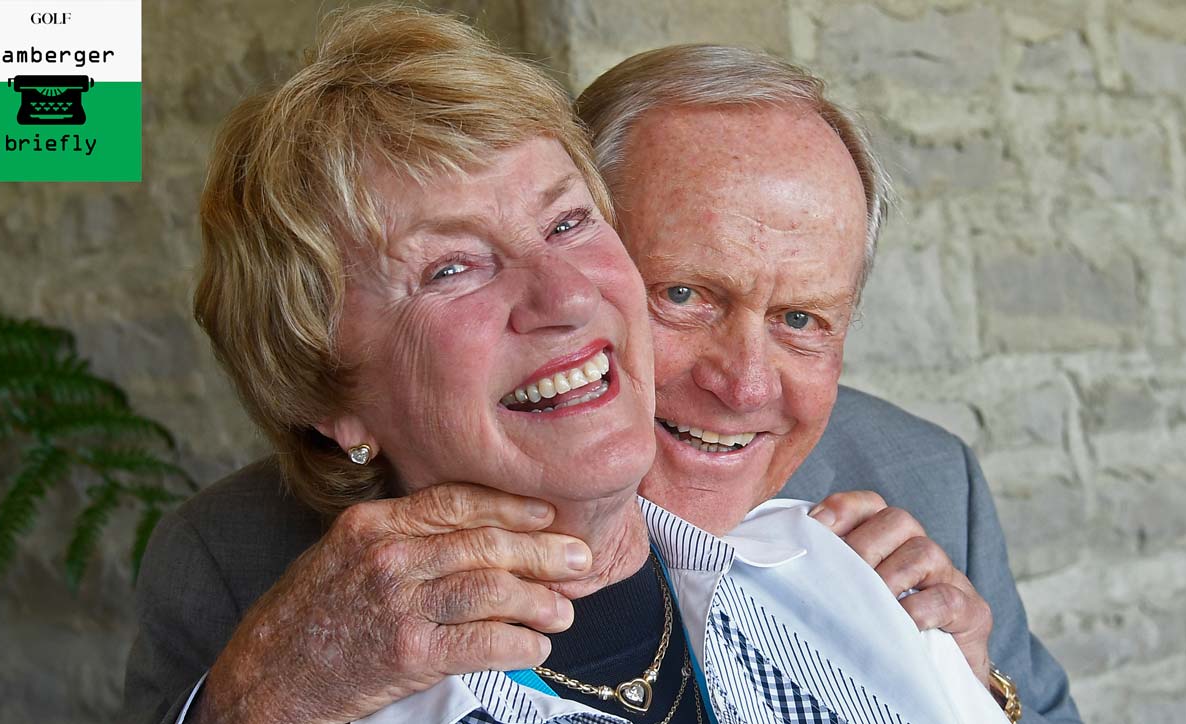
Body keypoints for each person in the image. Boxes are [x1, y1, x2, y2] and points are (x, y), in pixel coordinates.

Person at [125, 6, 1007, 724]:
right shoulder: (274, 620)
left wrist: (963, 688)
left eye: (566, 223)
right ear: (325, 392)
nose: (565, 297)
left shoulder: (864, 551)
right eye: (450, 268)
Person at [575, 45, 1082, 724]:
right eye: (685, 294)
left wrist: (975, 689)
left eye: (799, 318)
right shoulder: (406, 543)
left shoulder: (929, 479)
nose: (747, 386)